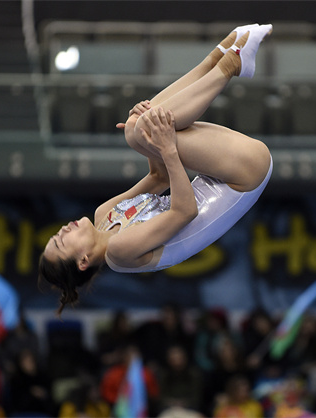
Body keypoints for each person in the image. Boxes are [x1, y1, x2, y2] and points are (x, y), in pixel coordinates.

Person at [38, 23, 274, 312]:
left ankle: (218, 57)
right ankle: (232, 63)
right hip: (243, 177)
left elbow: (159, 177)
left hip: (221, 171)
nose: (63, 230)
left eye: (56, 235)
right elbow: (185, 211)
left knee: (137, 125)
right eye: (61, 242)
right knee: (143, 131)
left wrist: (150, 136)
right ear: (83, 261)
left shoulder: (103, 215)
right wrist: (164, 147)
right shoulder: (119, 252)